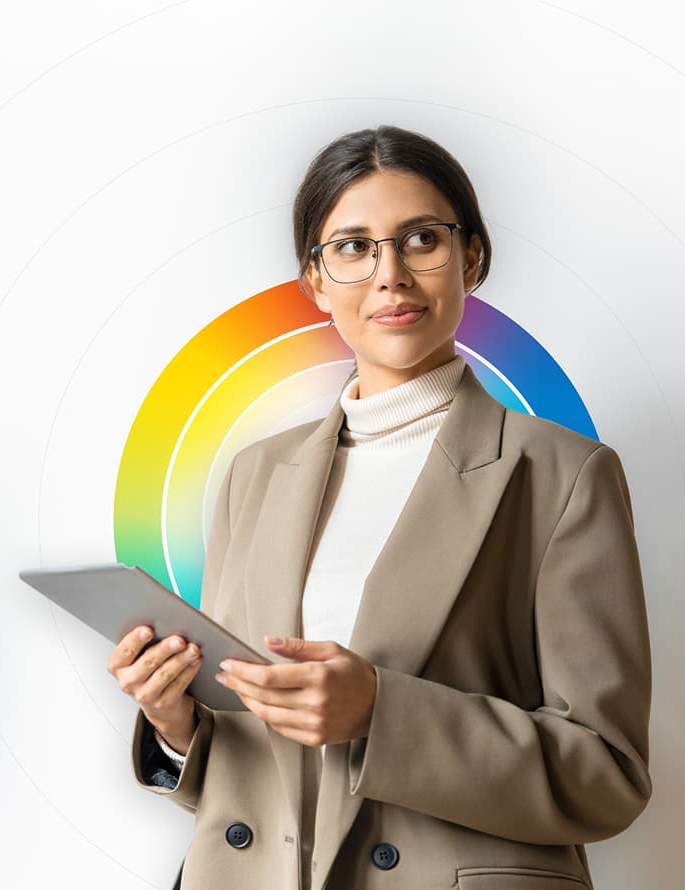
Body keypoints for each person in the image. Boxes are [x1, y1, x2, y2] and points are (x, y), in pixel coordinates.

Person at [107, 124, 653, 890]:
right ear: (316, 281)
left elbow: (606, 773)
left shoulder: (562, 474)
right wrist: (176, 727)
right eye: (354, 247)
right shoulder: (254, 475)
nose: (389, 276)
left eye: (421, 239)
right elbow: (261, 789)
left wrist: (382, 715)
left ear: (471, 258)